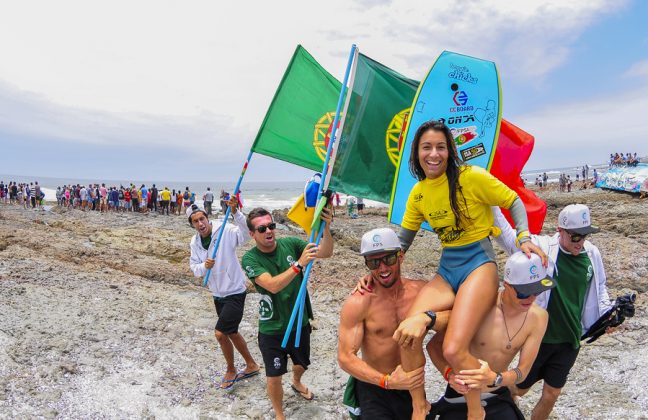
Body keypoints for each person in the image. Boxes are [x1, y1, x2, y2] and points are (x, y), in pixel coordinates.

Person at [394, 120, 545, 420]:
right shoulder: (419, 193)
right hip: (448, 267)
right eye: (427, 147)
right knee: (406, 333)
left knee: (452, 347)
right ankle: (419, 404)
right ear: (417, 153)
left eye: (440, 147)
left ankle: (476, 411)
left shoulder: (471, 177)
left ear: (450, 151)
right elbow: (402, 244)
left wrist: (523, 237)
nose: (433, 154)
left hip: (478, 263)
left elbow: (512, 200)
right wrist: (377, 273)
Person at [509, 204, 615, 420]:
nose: (581, 242)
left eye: (585, 235)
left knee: (552, 393)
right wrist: (491, 206)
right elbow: (508, 235)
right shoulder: (543, 248)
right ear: (560, 231)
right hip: (541, 339)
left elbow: (600, 287)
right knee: (519, 389)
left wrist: (608, 314)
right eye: (576, 237)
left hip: (570, 338)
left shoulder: (591, 253)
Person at [338, 228, 451, 419]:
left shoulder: (421, 292)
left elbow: (456, 317)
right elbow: (345, 357)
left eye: (388, 259)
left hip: (413, 387)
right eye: (374, 262)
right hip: (375, 386)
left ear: (400, 256)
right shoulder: (359, 302)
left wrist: (428, 319)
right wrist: (387, 381)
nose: (382, 269)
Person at [426, 251, 552, 419]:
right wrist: (448, 373)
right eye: (523, 292)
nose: (530, 298)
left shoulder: (539, 317)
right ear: (507, 285)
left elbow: (523, 371)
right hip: (461, 395)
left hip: (497, 394)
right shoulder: (482, 305)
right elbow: (433, 345)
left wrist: (495, 378)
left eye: (537, 291)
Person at [241, 206, 334, 420]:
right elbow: (272, 285)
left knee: (301, 364)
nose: (268, 231)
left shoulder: (290, 243)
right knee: (274, 376)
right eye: (262, 228)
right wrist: (299, 265)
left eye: (271, 226)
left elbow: (326, 252)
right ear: (252, 234)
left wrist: (326, 228)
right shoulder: (250, 259)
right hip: (272, 327)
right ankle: (279, 414)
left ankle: (297, 381)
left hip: (299, 321)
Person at [188, 198, 260, 390]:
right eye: (195, 221)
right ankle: (252, 365)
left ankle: (231, 369)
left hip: (235, 291)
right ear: (192, 224)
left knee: (220, 334)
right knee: (232, 332)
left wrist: (236, 213)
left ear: (207, 217)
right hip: (217, 293)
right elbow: (194, 268)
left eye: (202, 218)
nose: (200, 223)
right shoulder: (194, 242)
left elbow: (246, 234)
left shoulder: (225, 230)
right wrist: (204, 266)